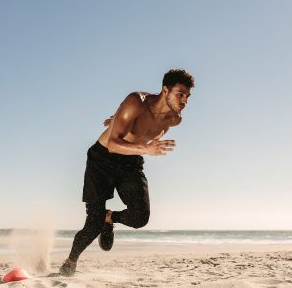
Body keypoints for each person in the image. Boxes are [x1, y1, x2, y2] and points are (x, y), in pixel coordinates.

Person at [59, 69, 195, 276]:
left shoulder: (175, 119)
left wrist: (122, 122)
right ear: (165, 90)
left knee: (140, 217)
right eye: (180, 94)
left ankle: (110, 218)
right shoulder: (136, 102)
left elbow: (141, 129)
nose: (184, 100)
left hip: (130, 161)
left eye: (187, 96)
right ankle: (71, 260)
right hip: (102, 158)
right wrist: (145, 146)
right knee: (92, 224)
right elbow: (113, 143)